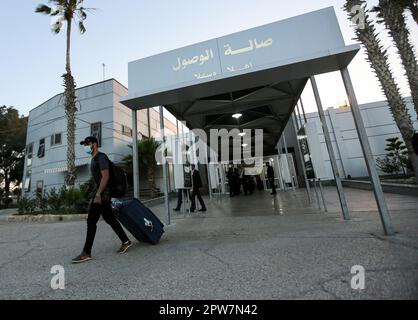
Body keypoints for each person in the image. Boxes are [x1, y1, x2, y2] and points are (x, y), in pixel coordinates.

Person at [72, 136, 132, 264]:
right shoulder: (94, 159)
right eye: (84, 144)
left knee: (91, 221)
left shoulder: (101, 157)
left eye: (87, 144)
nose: (86, 146)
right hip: (100, 194)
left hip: (102, 194)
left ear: (95, 144)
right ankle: (125, 241)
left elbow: (106, 177)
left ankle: (86, 252)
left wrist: (98, 194)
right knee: (109, 218)